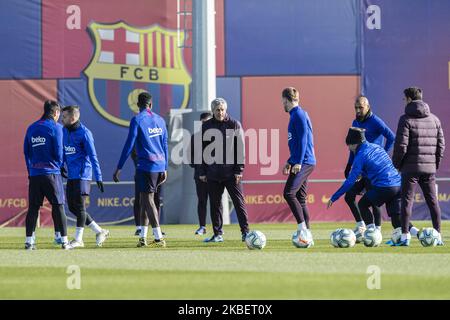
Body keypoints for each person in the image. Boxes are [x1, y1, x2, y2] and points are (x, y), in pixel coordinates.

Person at [113, 92, 168, 248]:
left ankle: (158, 237)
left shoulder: (137, 119)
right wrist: (165, 167)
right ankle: (142, 238)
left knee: (148, 200)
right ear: (151, 104)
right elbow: (165, 145)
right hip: (159, 166)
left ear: (138, 105)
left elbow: (129, 145)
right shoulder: (160, 120)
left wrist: (119, 167)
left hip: (146, 166)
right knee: (145, 200)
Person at [393, 87, 445, 246]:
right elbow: (441, 145)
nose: (403, 102)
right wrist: (434, 164)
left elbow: (401, 146)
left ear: (409, 99)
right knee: (433, 202)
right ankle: (439, 237)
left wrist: (397, 164)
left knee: (407, 202)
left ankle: (405, 237)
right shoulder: (435, 119)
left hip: (410, 169)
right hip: (429, 169)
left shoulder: (405, 119)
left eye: (404, 99)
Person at [327, 128, 404, 235]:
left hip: (385, 186)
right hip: (399, 184)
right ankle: (416, 234)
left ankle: (372, 232)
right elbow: (377, 165)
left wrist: (334, 197)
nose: (349, 149)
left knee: (363, 204)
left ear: (354, 144)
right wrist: (363, 173)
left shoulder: (360, 156)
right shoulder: (377, 147)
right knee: (397, 218)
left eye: (349, 146)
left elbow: (349, 182)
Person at [344, 96, 396, 242]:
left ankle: (377, 231)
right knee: (349, 196)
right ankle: (361, 225)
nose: (358, 110)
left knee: (373, 201)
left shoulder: (376, 121)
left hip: (373, 169)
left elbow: (391, 137)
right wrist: (349, 165)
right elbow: (352, 147)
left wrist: (383, 155)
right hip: (361, 168)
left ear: (368, 106)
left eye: (361, 107)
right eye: (356, 107)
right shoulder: (355, 122)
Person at [199, 98, 250, 242]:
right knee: (215, 205)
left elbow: (240, 150)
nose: (220, 112)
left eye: (222, 110)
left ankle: (245, 232)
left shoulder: (234, 125)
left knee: (239, 203)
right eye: (217, 110)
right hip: (213, 173)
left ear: (225, 110)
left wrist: (239, 170)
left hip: (231, 174)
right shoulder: (206, 126)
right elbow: (201, 151)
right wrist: (202, 172)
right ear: (212, 111)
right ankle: (217, 234)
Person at [23, 100, 70, 250]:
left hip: (35, 175)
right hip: (52, 174)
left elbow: (26, 152)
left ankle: (29, 241)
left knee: (33, 208)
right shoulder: (57, 128)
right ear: (56, 113)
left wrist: (30, 171)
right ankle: (64, 241)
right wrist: (61, 166)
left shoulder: (31, 128)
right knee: (58, 206)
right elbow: (58, 151)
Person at [61, 105, 109, 248]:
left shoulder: (85, 133)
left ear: (73, 117)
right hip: (71, 176)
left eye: (64, 117)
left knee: (80, 208)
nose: (61, 120)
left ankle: (78, 240)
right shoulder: (64, 131)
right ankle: (100, 231)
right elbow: (64, 150)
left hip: (83, 175)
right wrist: (62, 164)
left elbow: (93, 156)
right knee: (72, 208)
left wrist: (99, 177)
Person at [281, 87, 316, 244]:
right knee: (300, 198)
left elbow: (303, 140)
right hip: (301, 160)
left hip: (305, 161)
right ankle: (308, 235)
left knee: (289, 193)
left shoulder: (299, 114)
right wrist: (290, 161)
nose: (282, 104)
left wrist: (299, 162)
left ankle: (302, 230)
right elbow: (296, 144)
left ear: (286, 100)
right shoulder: (295, 115)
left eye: (283, 101)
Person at [189, 111, 219, 235]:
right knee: (202, 201)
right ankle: (202, 226)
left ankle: (217, 229)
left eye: (206, 122)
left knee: (215, 202)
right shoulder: (195, 137)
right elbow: (191, 159)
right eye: (202, 123)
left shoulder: (218, 137)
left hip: (215, 175)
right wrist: (200, 171)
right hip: (200, 176)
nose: (204, 125)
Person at [131, 147, 164, 237]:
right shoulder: (140, 138)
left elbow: (163, 150)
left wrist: (164, 167)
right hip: (143, 171)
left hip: (157, 170)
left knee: (156, 200)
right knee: (141, 199)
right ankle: (139, 228)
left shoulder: (157, 136)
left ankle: (156, 228)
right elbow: (133, 153)